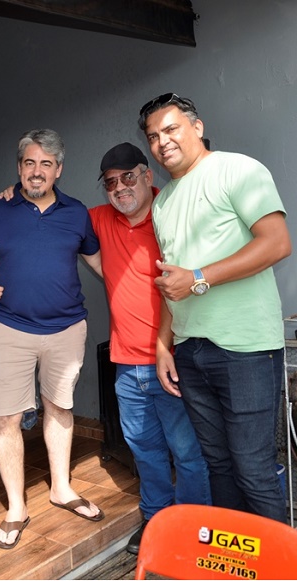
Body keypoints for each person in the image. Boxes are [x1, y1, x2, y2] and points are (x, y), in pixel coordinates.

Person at [139, 93, 292, 522]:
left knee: (254, 469)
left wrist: (200, 277)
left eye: (170, 129)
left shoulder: (237, 169)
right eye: (153, 136)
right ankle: (238, 565)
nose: (162, 142)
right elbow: (174, 282)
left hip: (245, 349)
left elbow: (277, 243)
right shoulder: (164, 202)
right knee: (219, 468)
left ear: (197, 127)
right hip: (190, 351)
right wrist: (163, 345)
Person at [0, 129, 103, 550]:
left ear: (59, 170)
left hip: (66, 329)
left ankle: (61, 488)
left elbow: (101, 263)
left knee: (59, 408)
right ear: (19, 168)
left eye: (46, 163)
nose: (37, 171)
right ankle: (16, 508)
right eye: (29, 163)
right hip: (11, 329)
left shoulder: (77, 213)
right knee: (7, 419)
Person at [88, 142, 210, 554]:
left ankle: (195, 529)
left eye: (128, 177)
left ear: (146, 176)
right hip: (126, 365)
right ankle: (156, 521)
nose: (120, 187)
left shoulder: (170, 214)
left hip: (173, 361)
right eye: (110, 182)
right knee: (146, 452)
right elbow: (50, 215)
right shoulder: (98, 219)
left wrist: (165, 348)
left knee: (188, 452)